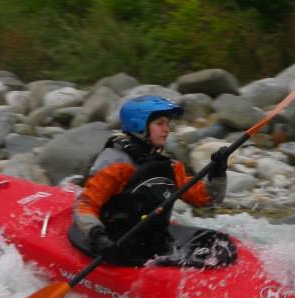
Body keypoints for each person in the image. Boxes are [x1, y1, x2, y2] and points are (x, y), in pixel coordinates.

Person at [73, 95, 231, 265]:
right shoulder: (116, 163)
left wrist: (218, 173)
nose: (166, 130)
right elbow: (85, 205)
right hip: (115, 240)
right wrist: (98, 236)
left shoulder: (170, 167)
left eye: (167, 124)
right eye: (160, 123)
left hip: (154, 241)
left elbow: (208, 199)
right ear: (139, 125)